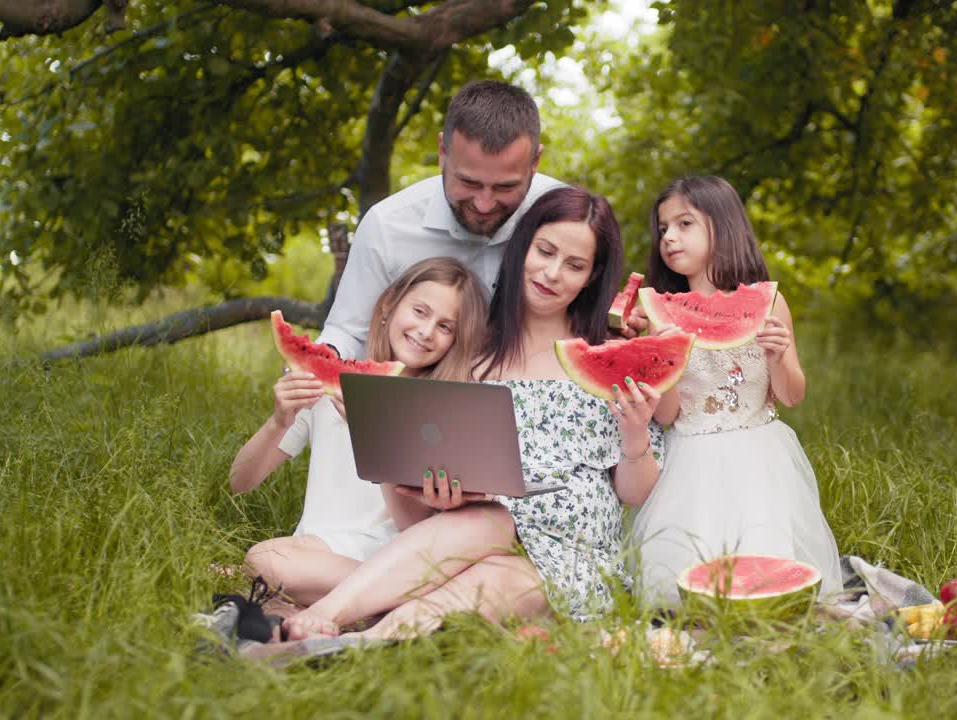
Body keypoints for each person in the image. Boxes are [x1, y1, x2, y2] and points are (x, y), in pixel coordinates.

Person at [283, 186, 665, 641]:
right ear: (523, 247)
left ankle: (354, 638)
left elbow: (634, 493)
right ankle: (325, 620)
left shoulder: (610, 354)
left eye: (575, 265)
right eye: (544, 251)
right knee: (490, 521)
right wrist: (439, 496)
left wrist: (636, 432)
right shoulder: (470, 352)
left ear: (592, 275)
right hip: (471, 533)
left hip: (571, 554)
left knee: (451, 587)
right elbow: (416, 524)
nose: (553, 273)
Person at [627, 175, 844, 607]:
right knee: (683, 585)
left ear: (722, 225)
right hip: (690, 461)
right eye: (663, 228)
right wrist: (661, 355)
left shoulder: (769, 302)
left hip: (759, 456)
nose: (669, 237)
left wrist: (780, 357)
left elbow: (792, 395)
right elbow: (668, 415)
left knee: (766, 575)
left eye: (684, 224)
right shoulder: (660, 314)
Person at [229, 257, 488, 606]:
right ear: (388, 306)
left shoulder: (441, 413)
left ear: (457, 341)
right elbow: (240, 482)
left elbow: (412, 527)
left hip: (386, 563)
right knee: (270, 567)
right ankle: (332, 611)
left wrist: (372, 434)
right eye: (420, 311)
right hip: (310, 555)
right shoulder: (329, 387)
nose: (426, 331)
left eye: (446, 327)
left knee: (263, 561)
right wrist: (279, 421)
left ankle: (383, 599)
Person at [318, 79, 565, 361]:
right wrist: (317, 362)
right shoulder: (386, 225)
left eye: (505, 187)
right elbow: (349, 332)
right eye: (468, 182)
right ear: (442, 152)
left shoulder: (567, 219)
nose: (484, 204)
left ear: (535, 162)